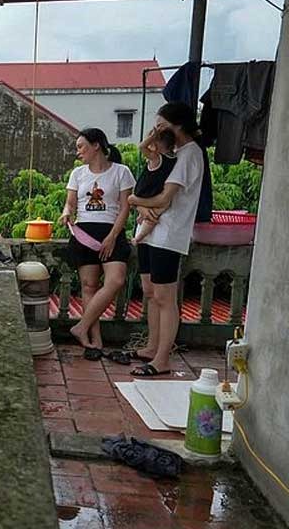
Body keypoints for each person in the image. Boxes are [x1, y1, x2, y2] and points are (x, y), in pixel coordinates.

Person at [127, 102, 205, 377]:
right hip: (152, 231)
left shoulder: (190, 154)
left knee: (164, 296)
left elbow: (165, 198)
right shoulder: (172, 154)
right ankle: (151, 346)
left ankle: (162, 359)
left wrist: (136, 200)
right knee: (149, 292)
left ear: (178, 125)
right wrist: (142, 206)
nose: (158, 130)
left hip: (169, 234)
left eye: (162, 125)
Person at [58, 127, 136, 360]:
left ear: (96, 146)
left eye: (81, 146)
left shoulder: (121, 172)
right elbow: (70, 203)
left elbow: (125, 208)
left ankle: (81, 326)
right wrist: (66, 213)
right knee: (89, 286)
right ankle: (95, 341)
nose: (78, 151)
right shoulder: (78, 174)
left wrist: (112, 236)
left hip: (111, 231)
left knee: (116, 280)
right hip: (84, 232)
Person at [132, 126, 178, 244]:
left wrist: (151, 137)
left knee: (151, 217)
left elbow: (141, 146)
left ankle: (139, 237)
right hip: (153, 192)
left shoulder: (156, 158)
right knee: (155, 213)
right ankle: (141, 224)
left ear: (155, 144)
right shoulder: (174, 159)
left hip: (145, 192)